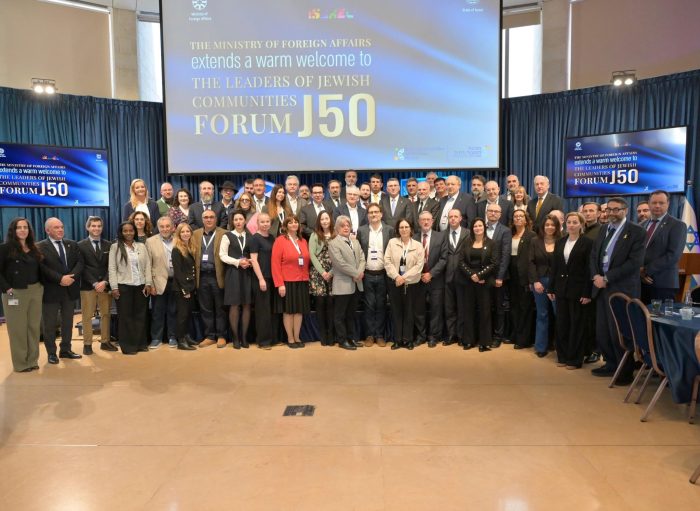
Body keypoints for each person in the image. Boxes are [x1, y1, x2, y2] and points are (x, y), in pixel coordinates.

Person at [590, 197, 646, 383]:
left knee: (620, 331)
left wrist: (607, 278)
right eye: (609, 209)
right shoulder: (603, 229)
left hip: (622, 288)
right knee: (603, 330)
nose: (611, 213)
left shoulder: (636, 231)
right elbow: (594, 255)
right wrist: (596, 276)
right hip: (601, 288)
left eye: (616, 209)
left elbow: (634, 263)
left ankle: (625, 371)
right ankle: (610, 364)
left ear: (625, 210)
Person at [547, 212, 593, 369]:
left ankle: (574, 359)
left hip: (578, 290)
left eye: (575, 222)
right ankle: (563, 356)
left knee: (577, 325)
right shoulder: (560, 241)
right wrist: (551, 287)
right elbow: (555, 266)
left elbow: (589, 269)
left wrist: (587, 292)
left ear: (581, 224)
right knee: (562, 323)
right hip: (561, 288)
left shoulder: (588, 243)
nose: (571, 225)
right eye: (569, 222)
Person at [0, 218, 44, 372]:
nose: (23, 230)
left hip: (35, 291)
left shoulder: (34, 248)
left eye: (25, 227)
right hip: (15, 292)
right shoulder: (5, 249)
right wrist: (7, 288)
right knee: (18, 329)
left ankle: (32, 360)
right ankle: (20, 364)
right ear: (13, 230)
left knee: (33, 327)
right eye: (19, 227)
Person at [38, 217, 84, 364]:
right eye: (56, 227)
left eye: (61, 227)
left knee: (68, 322)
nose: (60, 230)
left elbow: (80, 262)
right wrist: (60, 278)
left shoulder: (72, 244)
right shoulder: (39, 247)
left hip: (69, 289)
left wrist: (71, 277)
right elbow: (42, 268)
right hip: (51, 290)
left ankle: (65, 350)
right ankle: (51, 353)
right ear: (47, 230)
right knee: (49, 324)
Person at [108, 221, 153, 355]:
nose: (128, 233)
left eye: (131, 230)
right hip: (123, 287)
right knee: (126, 317)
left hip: (141, 286)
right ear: (121, 233)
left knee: (140, 316)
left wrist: (148, 283)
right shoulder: (115, 247)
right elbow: (112, 268)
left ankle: (141, 344)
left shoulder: (141, 246)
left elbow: (148, 265)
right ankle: (128, 346)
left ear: (135, 232)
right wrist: (114, 287)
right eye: (125, 231)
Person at [77, 216, 116, 354]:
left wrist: (104, 281)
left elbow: (111, 266)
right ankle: (87, 344)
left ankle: (105, 342)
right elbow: (82, 267)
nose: (96, 228)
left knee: (106, 314)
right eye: (93, 226)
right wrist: (94, 283)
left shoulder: (109, 245)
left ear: (102, 227)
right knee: (87, 316)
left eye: (99, 226)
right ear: (88, 227)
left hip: (105, 286)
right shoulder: (80, 245)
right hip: (88, 286)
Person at [384, 218, 425, 350]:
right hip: (395, 283)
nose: (404, 229)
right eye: (401, 227)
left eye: (406, 227)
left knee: (409, 312)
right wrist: (397, 276)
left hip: (412, 284)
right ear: (398, 229)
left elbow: (419, 266)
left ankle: (408, 340)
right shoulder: (392, 243)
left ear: (411, 229)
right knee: (396, 311)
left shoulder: (418, 245)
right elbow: (387, 262)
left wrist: (404, 277)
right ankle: (397, 340)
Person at [459, 217, 499, 351]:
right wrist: (472, 275)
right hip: (469, 280)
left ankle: (484, 342)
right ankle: (469, 340)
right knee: (468, 311)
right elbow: (461, 262)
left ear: (484, 227)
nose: (478, 228)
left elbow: (494, 263)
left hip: (484, 281)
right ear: (472, 228)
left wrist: (480, 276)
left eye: (480, 226)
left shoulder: (492, 243)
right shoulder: (466, 242)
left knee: (485, 312)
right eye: (475, 226)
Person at [271, 215, 311, 348]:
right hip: (287, 282)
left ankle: (297, 337)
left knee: (299, 311)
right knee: (288, 311)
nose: (294, 224)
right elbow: (275, 264)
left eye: (296, 222)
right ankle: (290, 338)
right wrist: (280, 284)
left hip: (302, 280)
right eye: (291, 222)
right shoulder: (280, 240)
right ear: (286, 225)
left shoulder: (303, 241)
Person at [640, 190, 686, 302]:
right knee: (640, 313)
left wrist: (646, 270)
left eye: (661, 203)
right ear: (649, 204)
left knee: (660, 314)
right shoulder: (641, 225)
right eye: (654, 202)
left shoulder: (677, 225)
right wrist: (639, 271)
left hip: (663, 284)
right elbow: (636, 251)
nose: (657, 206)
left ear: (668, 204)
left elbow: (673, 255)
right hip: (640, 282)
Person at [357, 203, 393, 347]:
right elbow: (359, 252)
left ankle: (379, 335)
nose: (373, 214)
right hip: (367, 274)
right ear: (367, 215)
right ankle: (369, 335)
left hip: (384, 274)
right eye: (371, 212)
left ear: (381, 214)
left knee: (381, 305)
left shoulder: (389, 230)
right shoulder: (362, 230)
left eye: (376, 212)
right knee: (369, 305)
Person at [328, 215, 366, 350]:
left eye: (348, 225)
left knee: (351, 314)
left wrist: (359, 273)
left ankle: (351, 338)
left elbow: (362, 259)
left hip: (356, 284)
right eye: (342, 226)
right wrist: (356, 274)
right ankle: (342, 340)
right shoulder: (333, 243)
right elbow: (340, 264)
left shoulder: (355, 242)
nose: (346, 228)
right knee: (340, 315)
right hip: (342, 285)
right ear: (337, 228)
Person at [192, 209, 228, 348]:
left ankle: (221, 335)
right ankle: (210, 336)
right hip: (202, 276)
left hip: (217, 275)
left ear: (216, 219)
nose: (209, 219)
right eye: (206, 217)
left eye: (211, 217)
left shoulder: (224, 233)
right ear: (202, 220)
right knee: (205, 308)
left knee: (220, 308)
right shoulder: (195, 234)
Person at [220, 210, 254, 349]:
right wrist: (238, 262)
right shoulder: (227, 236)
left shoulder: (251, 236)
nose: (238, 222)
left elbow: (254, 254)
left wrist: (250, 262)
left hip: (247, 273)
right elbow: (222, 255)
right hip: (233, 273)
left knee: (246, 305)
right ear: (232, 222)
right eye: (236, 220)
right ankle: (235, 338)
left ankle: (244, 337)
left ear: (245, 221)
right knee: (234, 305)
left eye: (241, 219)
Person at [414, 211, 448, 347]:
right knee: (419, 310)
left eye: (428, 219)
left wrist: (431, 274)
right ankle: (421, 336)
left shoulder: (441, 237)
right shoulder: (414, 237)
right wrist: (419, 274)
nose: (426, 222)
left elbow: (444, 258)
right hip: (417, 280)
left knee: (436, 310)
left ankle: (434, 336)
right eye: (423, 220)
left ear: (433, 221)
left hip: (436, 280)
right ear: (419, 222)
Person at [528, 214, 561, 357]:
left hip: (557, 283)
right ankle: (541, 347)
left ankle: (561, 347)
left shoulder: (562, 240)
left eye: (553, 225)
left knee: (559, 314)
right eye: (547, 225)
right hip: (540, 282)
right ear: (543, 226)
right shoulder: (535, 241)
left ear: (557, 227)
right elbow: (530, 262)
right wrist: (535, 281)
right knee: (542, 314)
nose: (550, 227)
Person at [146, 216, 178, 349]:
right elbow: (148, 264)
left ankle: (172, 337)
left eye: (167, 226)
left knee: (173, 311)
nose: (165, 229)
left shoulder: (178, 239)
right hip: (158, 282)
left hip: (175, 281)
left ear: (172, 227)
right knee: (157, 312)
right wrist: (150, 284)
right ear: (158, 228)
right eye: (162, 227)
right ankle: (156, 338)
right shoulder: (150, 241)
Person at [484, 203, 512, 347]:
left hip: (497, 277)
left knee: (499, 308)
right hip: (483, 277)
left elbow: (505, 255)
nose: (493, 213)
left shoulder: (505, 231)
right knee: (485, 307)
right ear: (487, 212)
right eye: (491, 211)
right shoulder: (480, 228)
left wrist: (500, 277)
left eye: (496, 211)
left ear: (500, 215)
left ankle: (498, 336)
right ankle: (486, 334)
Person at [249, 213, 278, 349]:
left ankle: (273, 339)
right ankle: (263, 341)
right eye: (262, 222)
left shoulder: (272, 237)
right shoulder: (254, 238)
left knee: (271, 310)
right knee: (263, 311)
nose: (265, 224)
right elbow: (254, 260)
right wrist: (261, 279)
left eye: (267, 221)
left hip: (273, 278)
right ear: (258, 223)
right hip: (261, 278)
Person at [508, 210, 536, 350]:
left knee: (525, 307)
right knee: (514, 306)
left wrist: (531, 279)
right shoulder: (509, 234)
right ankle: (516, 333)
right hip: (511, 275)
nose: (518, 218)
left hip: (525, 276)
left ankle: (524, 339)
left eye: (521, 216)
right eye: (516, 216)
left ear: (526, 220)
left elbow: (532, 258)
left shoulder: (532, 236)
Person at [443, 209, 470, 346]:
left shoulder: (468, 233)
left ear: (460, 219)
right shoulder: (442, 234)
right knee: (449, 308)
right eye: (450, 217)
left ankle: (461, 335)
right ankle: (451, 334)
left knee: (462, 307)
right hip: (446, 276)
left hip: (463, 276)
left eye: (455, 216)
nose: (453, 219)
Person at [309, 211, 336, 346]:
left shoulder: (336, 235)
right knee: (320, 305)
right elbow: (312, 255)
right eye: (322, 219)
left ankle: (331, 334)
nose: (325, 221)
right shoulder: (314, 235)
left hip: (334, 273)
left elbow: (340, 256)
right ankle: (323, 335)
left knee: (331, 304)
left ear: (330, 220)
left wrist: (330, 272)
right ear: (319, 222)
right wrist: (323, 272)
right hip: (318, 274)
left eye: (327, 218)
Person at [171, 223, 197, 351]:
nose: (185, 234)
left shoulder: (190, 247)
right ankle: (180, 340)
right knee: (182, 315)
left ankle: (186, 336)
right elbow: (178, 272)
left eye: (188, 231)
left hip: (190, 286)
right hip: (182, 288)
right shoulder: (176, 249)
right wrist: (185, 290)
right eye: (182, 232)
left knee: (187, 314)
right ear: (178, 234)